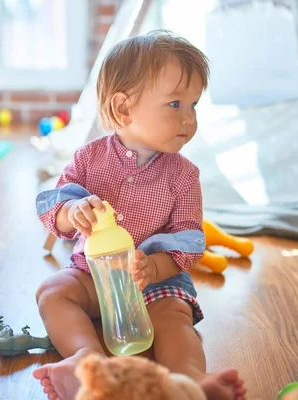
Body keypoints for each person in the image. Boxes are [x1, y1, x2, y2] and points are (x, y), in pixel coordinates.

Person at [33, 30, 246, 400]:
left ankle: (190, 379)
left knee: (174, 319)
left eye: (194, 104)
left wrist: (155, 268)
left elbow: (190, 240)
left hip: (155, 285)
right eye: (175, 104)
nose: (189, 119)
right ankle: (88, 362)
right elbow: (54, 204)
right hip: (94, 275)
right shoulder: (89, 159)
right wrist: (73, 212)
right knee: (52, 292)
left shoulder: (183, 175)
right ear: (123, 108)